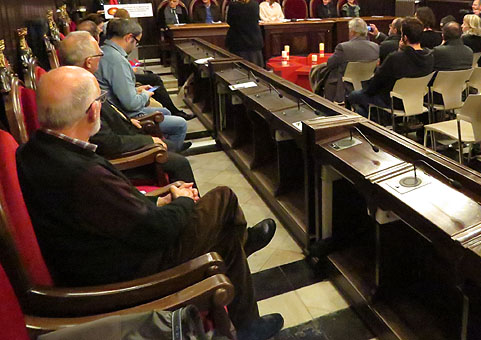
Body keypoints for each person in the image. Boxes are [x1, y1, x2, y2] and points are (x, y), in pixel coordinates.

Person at [17, 66, 284, 340]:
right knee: (223, 199)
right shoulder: (83, 174)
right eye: (101, 100)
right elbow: (157, 230)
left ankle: (248, 323)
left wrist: (158, 200)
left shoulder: (33, 150)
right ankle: (243, 250)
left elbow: (112, 210)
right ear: (93, 111)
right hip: (127, 269)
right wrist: (181, 202)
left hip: (108, 250)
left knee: (225, 232)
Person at [60, 32, 196, 184]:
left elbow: (108, 113)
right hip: (123, 161)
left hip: (123, 131)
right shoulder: (81, 93)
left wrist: (127, 120)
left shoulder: (79, 82)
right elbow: (107, 142)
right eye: (99, 54)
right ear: (89, 62)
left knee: (170, 146)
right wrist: (148, 140)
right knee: (180, 163)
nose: (102, 57)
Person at [96, 19, 189, 151]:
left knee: (165, 111)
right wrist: (145, 95)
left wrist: (136, 90)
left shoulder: (105, 50)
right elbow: (131, 104)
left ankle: (166, 145)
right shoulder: (116, 60)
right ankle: (167, 155)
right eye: (137, 42)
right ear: (129, 38)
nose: (135, 46)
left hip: (116, 110)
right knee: (180, 124)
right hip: (124, 117)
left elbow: (116, 90)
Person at [348, 17, 434, 117]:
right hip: (416, 100)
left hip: (393, 102)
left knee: (353, 96)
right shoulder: (430, 56)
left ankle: (374, 119)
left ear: (405, 38)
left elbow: (376, 82)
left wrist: (366, 90)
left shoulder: (395, 58)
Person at [324, 18, 379, 102]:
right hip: (366, 87)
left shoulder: (343, 47)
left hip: (344, 88)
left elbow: (330, 64)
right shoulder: (376, 47)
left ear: (352, 32)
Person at [225, 0, 264, 67]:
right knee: (255, 68)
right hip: (253, 41)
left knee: (240, 70)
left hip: (238, 42)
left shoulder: (233, 5)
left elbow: (229, 21)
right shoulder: (255, 4)